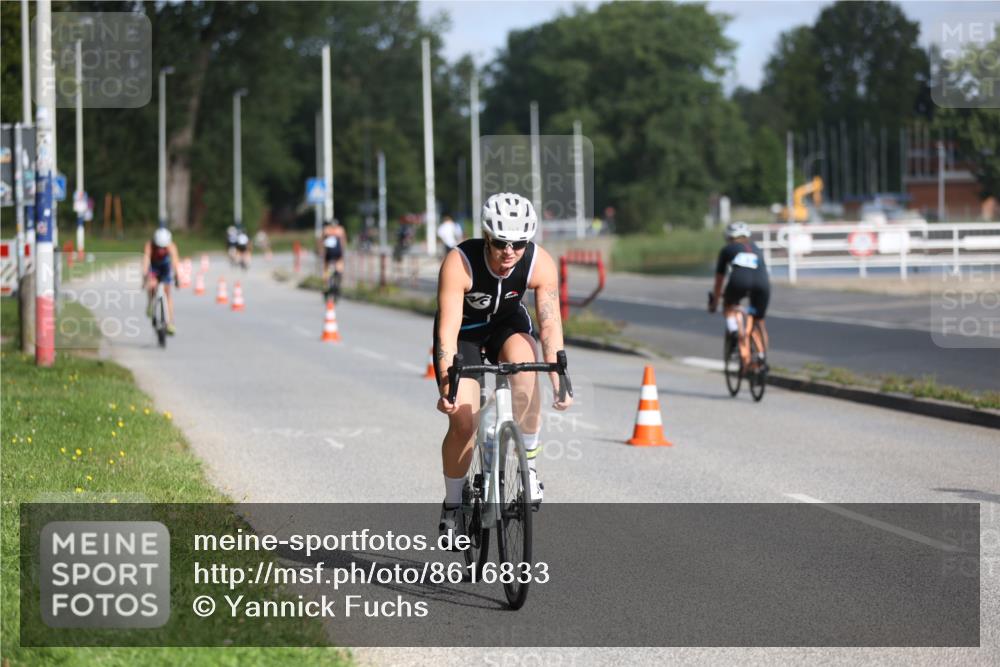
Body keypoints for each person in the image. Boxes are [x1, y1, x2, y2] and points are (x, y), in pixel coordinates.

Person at [434, 192, 573, 538]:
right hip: (464, 335)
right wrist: (447, 382)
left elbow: (550, 321)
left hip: (507, 328)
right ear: (486, 237)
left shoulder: (540, 263)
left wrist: (560, 374)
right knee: (463, 421)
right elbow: (446, 332)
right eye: (500, 243)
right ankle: (453, 505)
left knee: (528, 367)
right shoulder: (459, 262)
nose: (510, 252)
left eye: (519, 243)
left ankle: (529, 469)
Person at [708, 221, 770, 366]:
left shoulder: (727, 250)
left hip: (739, 283)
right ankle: (761, 356)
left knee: (729, 306)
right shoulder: (756, 248)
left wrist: (715, 301)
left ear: (729, 237)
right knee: (758, 319)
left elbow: (719, 280)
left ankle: (735, 333)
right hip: (763, 285)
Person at [142, 227, 181, 335]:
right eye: (158, 247)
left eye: (163, 247)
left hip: (165, 267)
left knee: (167, 293)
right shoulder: (149, 245)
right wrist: (145, 278)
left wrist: (177, 277)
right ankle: (150, 304)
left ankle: (170, 322)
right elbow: (145, 261)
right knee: (152, 285)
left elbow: (175, 262)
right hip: (153, 267)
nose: (160, 250)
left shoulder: (171, 246)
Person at [317, 218, 347, 300]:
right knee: (339, 266)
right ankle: (338, 278)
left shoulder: (326, 230)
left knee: (326, 268)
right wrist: (343, 251)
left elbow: (321, 242)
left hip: (329, 254)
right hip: (338, 253)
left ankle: (325, 286)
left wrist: (320, 251)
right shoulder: (340, 230)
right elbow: (343, 242)